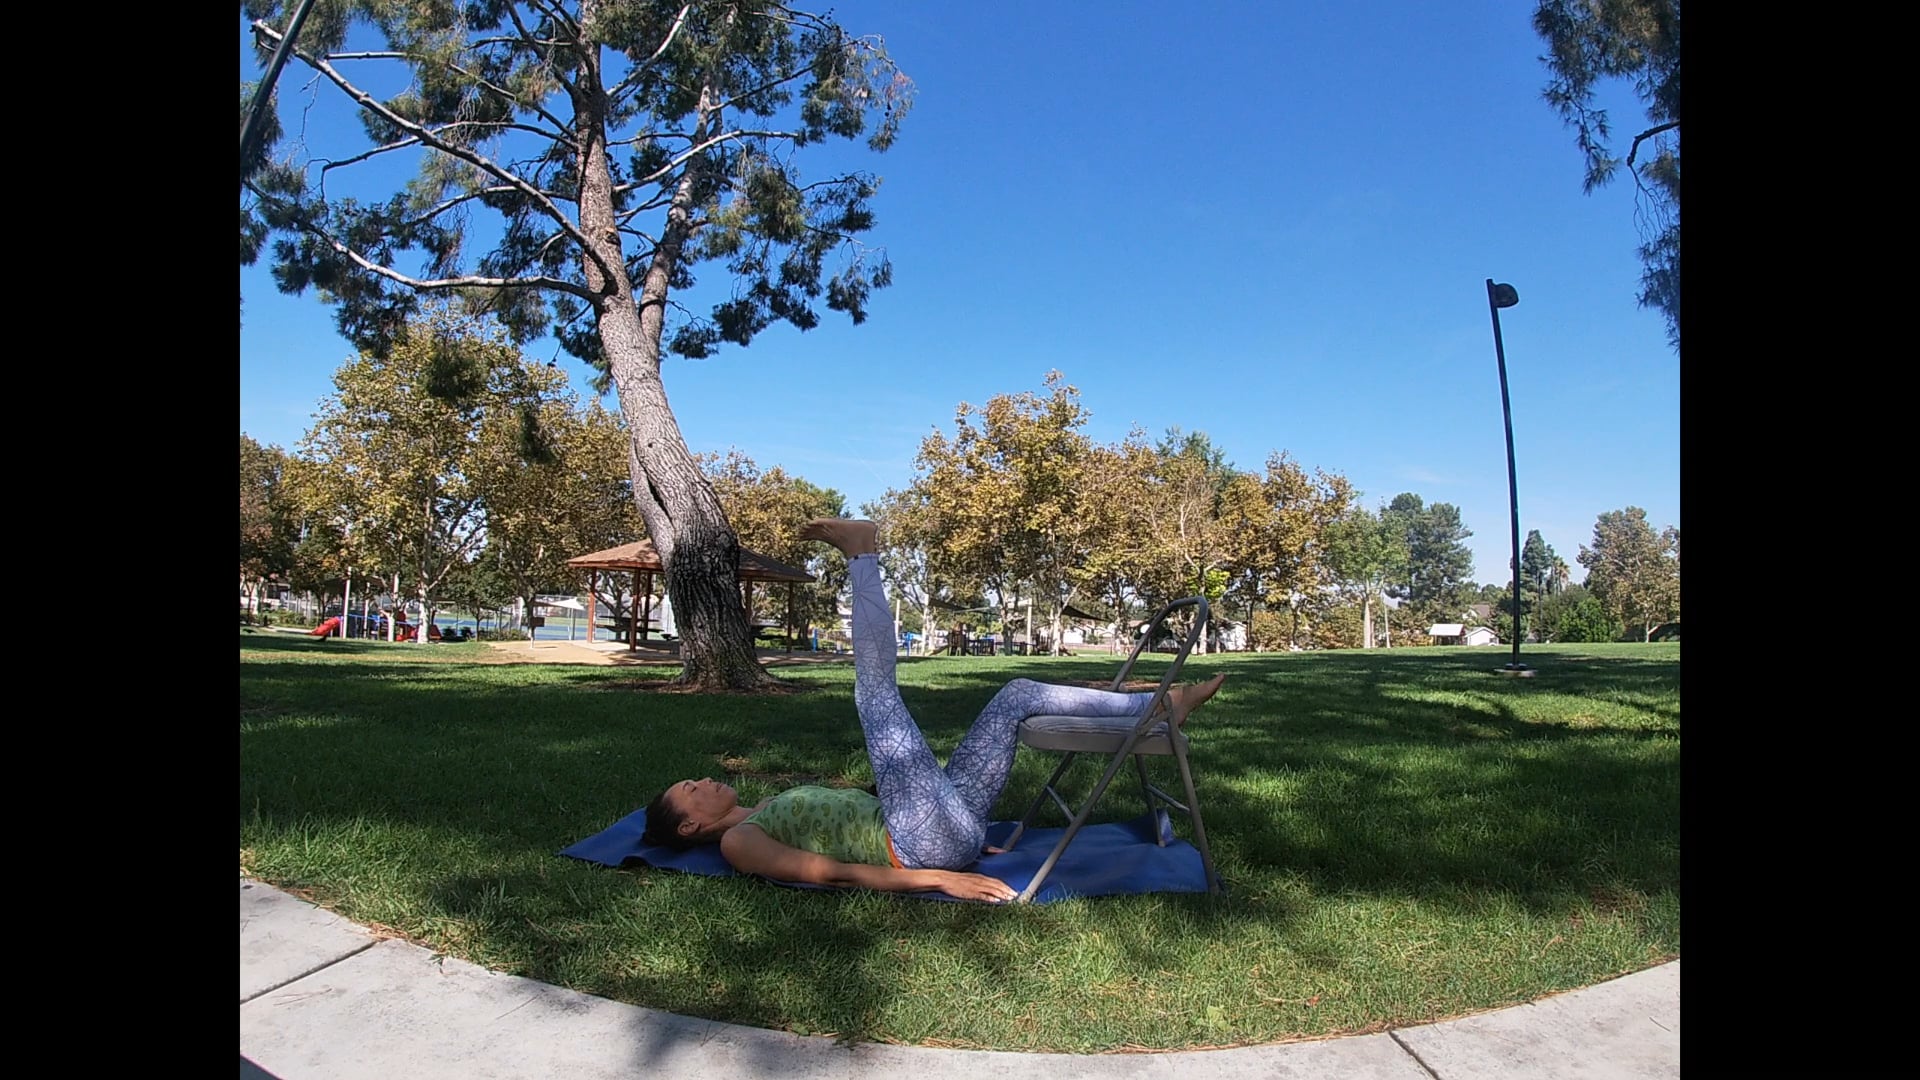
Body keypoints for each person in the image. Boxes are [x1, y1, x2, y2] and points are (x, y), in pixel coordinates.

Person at [641, 519, 1225, 902]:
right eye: (690, 787)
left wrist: (965, 837)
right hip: (919, 847)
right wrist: (943, 876)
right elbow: (835, 874)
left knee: (1016, 693)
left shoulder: (762, 808)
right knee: (874, 693)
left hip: (947, 826)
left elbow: (856, 821)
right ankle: (862, 552)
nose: (703, 780)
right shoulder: (737, 843)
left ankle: (1160, 705)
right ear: (690, 824)